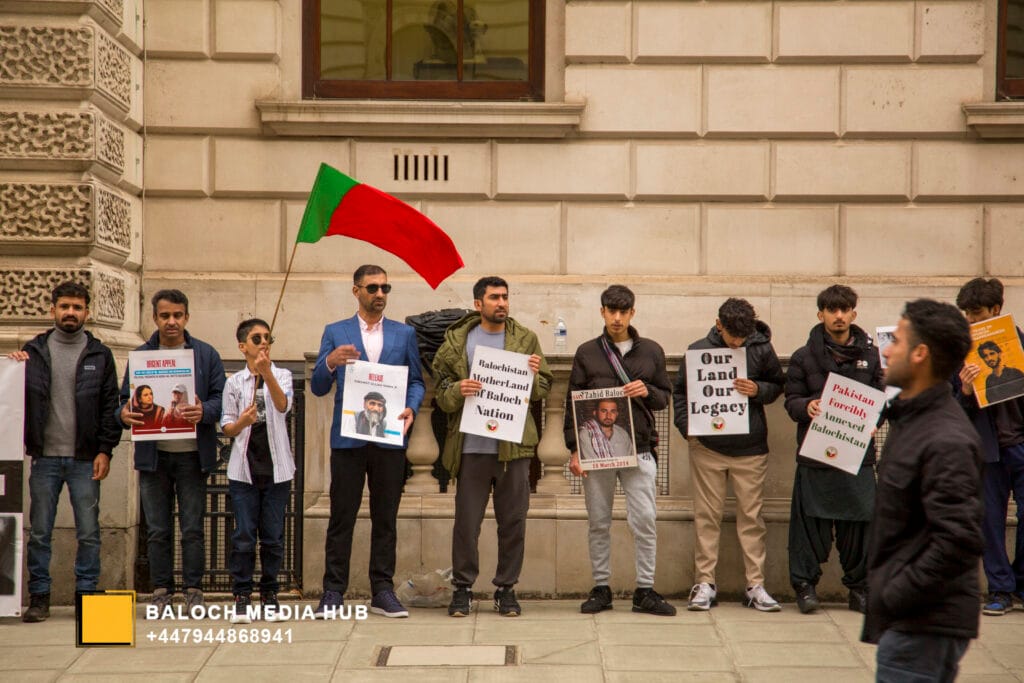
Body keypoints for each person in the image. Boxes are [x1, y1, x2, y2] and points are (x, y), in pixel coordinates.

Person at [863, 299, 983, 681]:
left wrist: (895, 593)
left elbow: (959, 539)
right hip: (912, 623)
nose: (885, 350)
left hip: (922, 627)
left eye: (896, 340)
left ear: (920, 353)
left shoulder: (945, 437)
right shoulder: (912, 419)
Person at [433, 276, 552, 617]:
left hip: (513, 449)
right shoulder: (458, 340)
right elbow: (441, 392)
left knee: (513, 522)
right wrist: (459, 389)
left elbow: (544, 387)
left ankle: (506, 589)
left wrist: (531, 376)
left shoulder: (525, 338)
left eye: (505, 297)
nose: (502, 303)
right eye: (494, 297)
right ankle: (463, 589)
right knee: (466, 525)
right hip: (471, 448)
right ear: (478, 304)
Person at [311, 265, 425, 619]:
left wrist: (411, 407)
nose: (380, 293)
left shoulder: (403, 334)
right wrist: (329, 362)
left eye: (385, 287)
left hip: (389, 440)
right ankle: (333, 591)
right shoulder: (336, 331)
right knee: (341, 516)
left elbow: (417, 381)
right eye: (373, 287)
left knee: (385, 517)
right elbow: (317, 387)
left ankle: (382, 590)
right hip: (348, 440)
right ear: (356, 291)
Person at [8, 281, 121, 623]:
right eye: (65, 306)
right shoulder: (34, 351)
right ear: (52, 309)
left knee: (89, 531)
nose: (70, 312)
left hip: (86, 459)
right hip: (44, 459)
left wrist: (106, 450)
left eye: (77, 307)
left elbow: (109, 406)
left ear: (88, 311)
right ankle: (39, 598)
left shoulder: (100, 354)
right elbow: (15, 399)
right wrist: (13, 368)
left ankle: (87, 595)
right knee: (40, 531)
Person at [564, 284, 676, 616]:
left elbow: (664, 398)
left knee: (644, 520)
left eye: (622, 311)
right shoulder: (587, 352)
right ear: (602, 312)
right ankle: (601, 588)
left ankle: (645, 589)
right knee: (598, 521)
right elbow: (571, 403)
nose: (616, 317)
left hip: (639, 448)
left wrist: (647, 391)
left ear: (632, 313)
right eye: (611, 311)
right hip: (596, 452)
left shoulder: (652, 351)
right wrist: (574, 449)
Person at [672, 298, 785, 612]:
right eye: (732, 336)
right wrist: (686, 427)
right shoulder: (697, 351)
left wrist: (757, 390)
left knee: (751, 519)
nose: (737, 342)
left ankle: (755, 585)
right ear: (718, 324)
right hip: (708, 447)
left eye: (742, 337)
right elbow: (680, 392)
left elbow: (778, 384)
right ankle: (705, 583)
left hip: (750, 449)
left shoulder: (761, 348)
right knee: (706, 518)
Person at [119, 289, 225, 615]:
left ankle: (194, 589)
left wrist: (204, 410)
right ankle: (161, 589)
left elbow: (222, 399)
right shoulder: (140, 356)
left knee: (192, 528)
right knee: (158, 529)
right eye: (165, 316)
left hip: (193, 456)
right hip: (155, 458)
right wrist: (122, 415)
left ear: (187, 317)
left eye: (177, 315)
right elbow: (122, 402)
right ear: (155, 318)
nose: (171, 322)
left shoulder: (205, 355)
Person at [784, 284, 884, 614]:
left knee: (861, 526)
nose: (838, 316)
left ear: (854, 313)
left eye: (844, 310)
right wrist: (807, 407)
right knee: (809, 526)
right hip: (817, 455)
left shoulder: (873, 356)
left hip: (858, 457)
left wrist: (876, 419)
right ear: (821, 314)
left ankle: (860, 589)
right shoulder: (802, 356)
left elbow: (884, 400)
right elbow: (791, 400)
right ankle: (805, 587)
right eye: (831, 310)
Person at [953, 277, 1024, 615]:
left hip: (1020, 445)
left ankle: (1019, 581)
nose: (971, 320)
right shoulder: (960, 353)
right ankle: (1000, 589)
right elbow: (950, 406)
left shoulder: (1019, 344)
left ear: (996, 310)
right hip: (987, 450)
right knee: (990, 522)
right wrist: (965, 391)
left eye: (977, 313)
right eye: (966, 314)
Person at [220, 319, 293, 624]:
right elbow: (227, 426)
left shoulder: (283, 374)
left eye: (267, 337)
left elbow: (282, 405)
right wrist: (243, 423)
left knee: (273, 536)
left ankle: (270, 593)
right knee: (244, 535)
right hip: (244, 471)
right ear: (243, 346)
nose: (264, 342)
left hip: (277, 469)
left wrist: (266, 374)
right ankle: (241, 594)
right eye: (256, 338)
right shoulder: (234, 382)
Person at [977, 340, 1024, 405]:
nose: (989, 358)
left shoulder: (1015, 373)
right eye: (985, 356)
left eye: (992, 353)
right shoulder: (989, 380)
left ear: (999, 354)